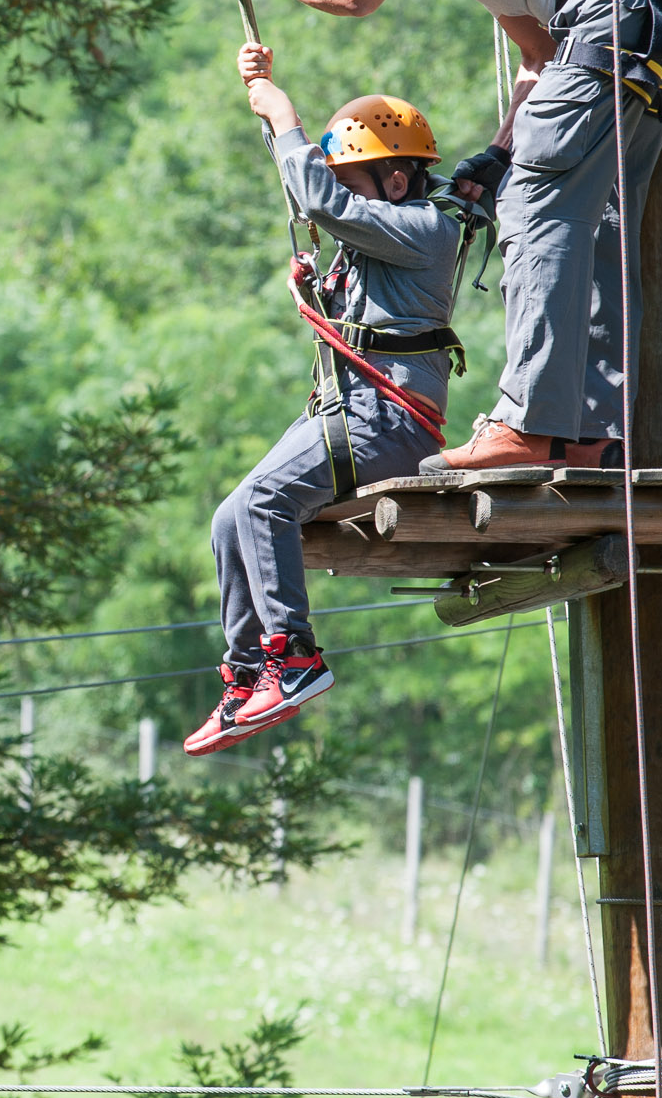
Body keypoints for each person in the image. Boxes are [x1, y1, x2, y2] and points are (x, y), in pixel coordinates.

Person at [209, 0, 662, 471]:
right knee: (599, 218)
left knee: (534, 208)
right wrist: (501, 151)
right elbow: (539, 54)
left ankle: (531, 423)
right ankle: (589, 433)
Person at [189, 42, 462, 756]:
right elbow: (320, 208)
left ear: (397, 179)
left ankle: (294, 656)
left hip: (386, 423)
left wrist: (284, 115)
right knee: (230, 517)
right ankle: (248, 672)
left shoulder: (427, 230)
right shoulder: (376, 244)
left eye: (354, 181)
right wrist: (317, 286)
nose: (345, 198)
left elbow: (318, 199)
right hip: (351, 415)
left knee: (264, 502)